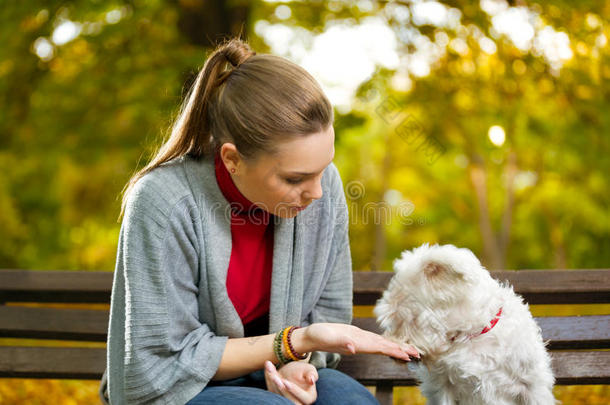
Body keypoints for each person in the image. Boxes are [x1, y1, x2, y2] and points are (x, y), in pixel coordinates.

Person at [99, 37, 418, 405]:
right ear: (232, 159)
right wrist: (292, 344)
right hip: (184, 387)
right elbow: (161, 362)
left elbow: (327, 317)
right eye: (295, 179)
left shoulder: (323, 188)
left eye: (323, 169)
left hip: (281, 366)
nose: (317, 192)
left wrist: (298, 364)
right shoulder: (164, 202)